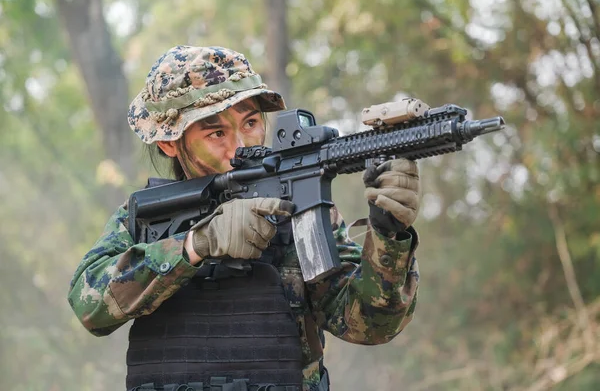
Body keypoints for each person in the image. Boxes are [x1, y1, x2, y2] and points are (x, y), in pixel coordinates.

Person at [68, 45, 421, 391]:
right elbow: (89, 306)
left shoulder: (300, 210)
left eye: (251, 122)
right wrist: (195, 244)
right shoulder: (148, 219)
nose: (240, 145)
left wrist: (389, 233)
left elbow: (369, 325)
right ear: (169, 143)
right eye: (216, 132)